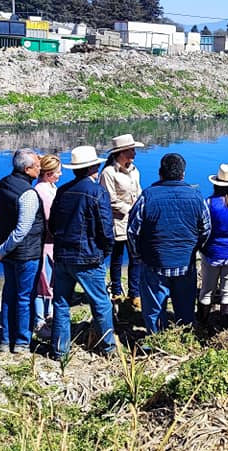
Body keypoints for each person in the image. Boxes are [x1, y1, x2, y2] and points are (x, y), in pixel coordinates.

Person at [128, 153, 211, 334]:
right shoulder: (196, 196)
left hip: (154, 264)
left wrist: (138, 255)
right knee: (185, 309)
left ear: (160, 173)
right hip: (185, 264)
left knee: (154, 310)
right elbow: (206, 229)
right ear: (183, 174)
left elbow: (133, 231)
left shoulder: (147, 196)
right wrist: (194, 249)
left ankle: (156, 343)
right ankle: (184, 339)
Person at [47, 146, 116, 360]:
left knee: (60, 303)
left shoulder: (62, 190)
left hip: (62, 255)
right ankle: (107, 348)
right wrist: (105, 251)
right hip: (88, 257)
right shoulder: (97, 192)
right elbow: (106, 228)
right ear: (93, 167)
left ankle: (60, 351)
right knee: (101, 302)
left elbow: (54, 224)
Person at [0, 148, 46, 354]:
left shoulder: (1, 185)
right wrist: (2, 249)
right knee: (24, 297)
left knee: (9, 294)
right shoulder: (28, 194)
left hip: (8, 253)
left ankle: (5, 340)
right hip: (26, 253)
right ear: (27, 169)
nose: (40, 170)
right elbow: (22, 230)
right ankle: (22, 343)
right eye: (37, 167)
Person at [99, 134, 145, 311]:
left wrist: (139, 209)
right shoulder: (108, 173)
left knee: (135, 258)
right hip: (117, 222)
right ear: (121, 152)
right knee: (117, 257)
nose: (134, 153)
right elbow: (109, 200)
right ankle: (116, 291)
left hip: (134, 221)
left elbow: (138, 193)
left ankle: (134, 293)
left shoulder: (135, 170)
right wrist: (130, 209)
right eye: (131, 150)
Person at [199, 163, 228, 327]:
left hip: (212, 253)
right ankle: (226, 327)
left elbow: (202, 229)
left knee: (206, 292)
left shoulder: (209, 203)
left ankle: (203, 324)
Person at [32, 154, 61, 338]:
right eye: (58, 172)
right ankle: (39, 320)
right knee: (43, 283)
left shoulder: (50, 187)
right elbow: (50, 218)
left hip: (51, 243)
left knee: (49, 282)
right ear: (49, 173)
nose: (60, 174)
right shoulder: (42, 191)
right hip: (46, 244)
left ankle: (48, 315)